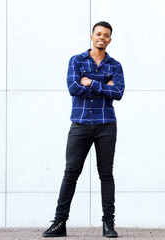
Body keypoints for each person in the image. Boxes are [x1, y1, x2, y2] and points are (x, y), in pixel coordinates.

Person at [42, 21, 125, 238]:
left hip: (106, 124)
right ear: (91, 36)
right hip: (80, 123)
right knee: (71, 173)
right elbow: (73, 88)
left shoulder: (115, 65)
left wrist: (90, 83)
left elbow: (118, 93)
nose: (102, 38)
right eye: (98, 34)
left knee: (106, 174)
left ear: (110, 40)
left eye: (106, 35)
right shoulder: (76, 60)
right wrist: (103, 85)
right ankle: (59, 223)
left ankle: (108, 224)